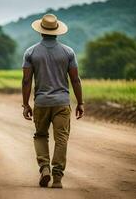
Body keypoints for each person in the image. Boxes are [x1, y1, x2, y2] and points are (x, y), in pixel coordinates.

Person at [21, 14, 84, 188]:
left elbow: (26, 81)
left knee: (40, 135)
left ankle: (44, 168)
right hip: (62, 103)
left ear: (41, 32)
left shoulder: (31, 52)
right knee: (61, 139)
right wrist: (80, 103)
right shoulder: (68, 52)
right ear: (57, 31)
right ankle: (57, 177)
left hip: (41, 103)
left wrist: (26, 104)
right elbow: (75, 79)